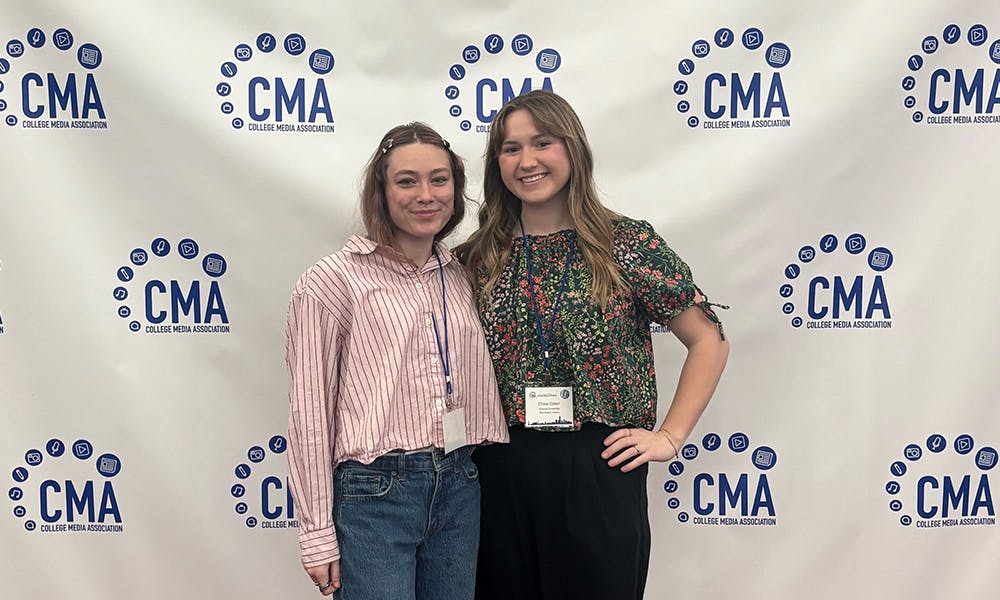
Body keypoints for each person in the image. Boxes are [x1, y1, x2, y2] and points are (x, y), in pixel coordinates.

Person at [455, 90, 730, 600]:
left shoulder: (624, 242)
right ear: (497, 164)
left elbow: (707, 339)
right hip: (497, 469)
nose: (527, 160)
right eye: (510, 148)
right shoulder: (476, 257)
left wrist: (670, 436)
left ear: (573, 149)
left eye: (542, 142)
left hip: (599, 466)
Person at [285, 122, 509, 599]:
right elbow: (309, 414)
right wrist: (316, 532)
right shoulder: (331, 282)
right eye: (407, 181)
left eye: (439, 179)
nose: (426, 194)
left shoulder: (461, 274)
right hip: (375, 493)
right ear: (381, 191)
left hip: (458, 483)